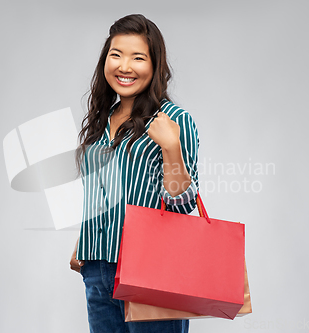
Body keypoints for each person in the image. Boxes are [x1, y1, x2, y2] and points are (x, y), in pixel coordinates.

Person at [69, 14, 199, 333]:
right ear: (105, 61)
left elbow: (183, 205)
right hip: (98, 269)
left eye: (137, 57)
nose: (124, 66)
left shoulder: (174, 120)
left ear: (155, 66)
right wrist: (85, 239)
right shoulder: (104, 119)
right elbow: (107, 191)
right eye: (117, 54)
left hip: (151, 269)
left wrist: (171, 148)